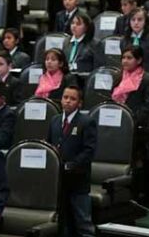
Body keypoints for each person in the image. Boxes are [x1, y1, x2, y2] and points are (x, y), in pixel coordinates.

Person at [42, 86, 97, 236]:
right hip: (59, 182)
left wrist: (71, 165)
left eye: (72, 99)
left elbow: (89, 151)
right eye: (65, 97)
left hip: (77, 180)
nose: (67, 101)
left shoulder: (86, 122)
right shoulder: (54, 120)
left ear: (79, 103)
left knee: (83, 222)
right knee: (64, 223)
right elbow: (49, 146)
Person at [111, 46, 149, 126]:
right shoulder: (118, 76)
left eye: (129, 58)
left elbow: (148, 105)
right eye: (123, 58)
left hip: (138, 123)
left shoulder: (147, 79)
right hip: (116, 119)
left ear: (139, 60)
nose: (125, 61)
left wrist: (132, 120)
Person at [121, 7, 149, 74]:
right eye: (133, 20)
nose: (136, 23)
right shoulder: (124, 40)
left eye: (139, 20)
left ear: (145, 21)